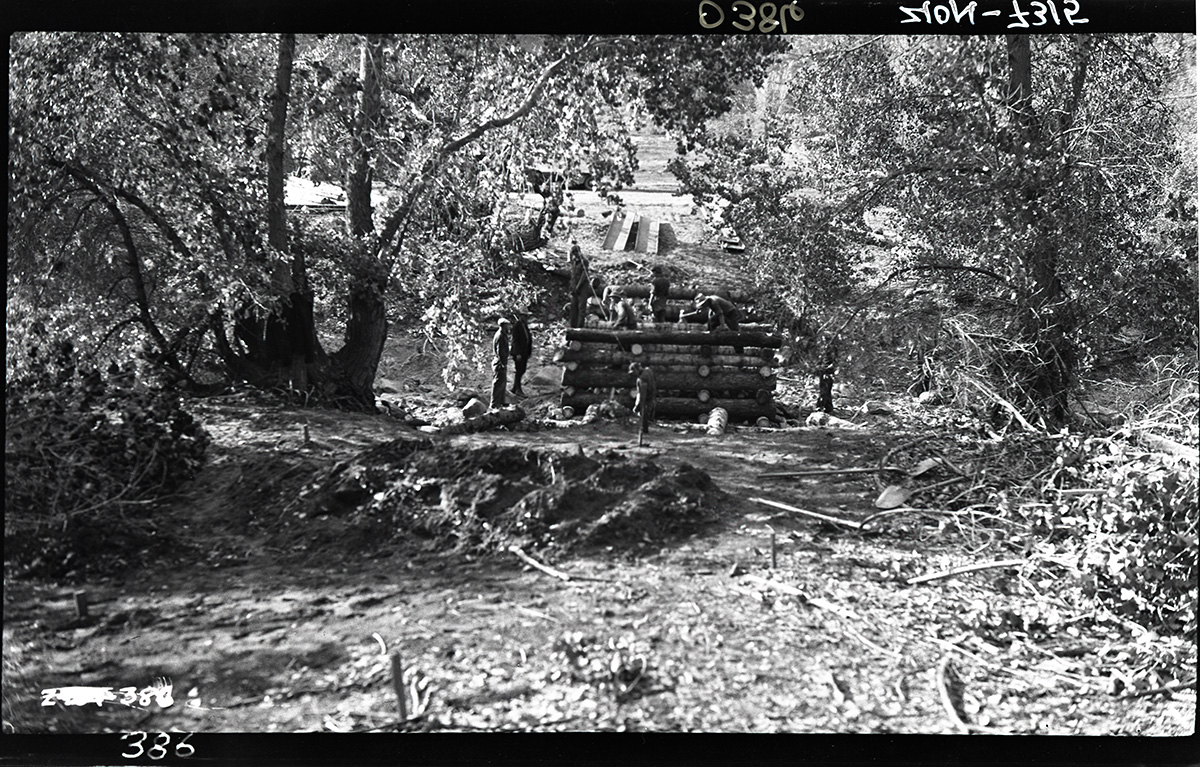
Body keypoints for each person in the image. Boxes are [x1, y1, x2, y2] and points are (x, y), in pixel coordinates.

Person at [629, 361, 657, 437]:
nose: (634, 374)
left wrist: (637, 405)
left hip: (647, 397)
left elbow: (641, 393)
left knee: (643, 413)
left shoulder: (641, 378)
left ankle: (644, 430)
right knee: (647, 413)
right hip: (652, 395)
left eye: (634, 372)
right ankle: (645, 429)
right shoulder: (648, 370)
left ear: (637, 369)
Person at [509, 310, 533, 396]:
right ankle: (518, 389)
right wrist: (518, 353)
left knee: (522, 370)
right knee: (519, 370)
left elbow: (527, 338)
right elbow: (515, 341)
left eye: (527, 316)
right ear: (521, 316)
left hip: (524, 352)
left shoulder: (525, 325)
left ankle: (515, 388)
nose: (526, 318)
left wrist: (529, 351)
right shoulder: (517, 326)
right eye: (525, 316)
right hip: (518, 353)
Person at [568, 242, 590, 328]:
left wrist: (578, 286)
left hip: (582, 288)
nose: (574, 256)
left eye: (575, 253)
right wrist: (572, 287)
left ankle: (580, 327)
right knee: (573, 307)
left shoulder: (584, 262)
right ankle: (572, 326)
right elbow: (573, 275)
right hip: (574, 287)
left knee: (581, 308)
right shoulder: (574, 261)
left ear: (579, 252)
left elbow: (584, 276)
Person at [490, 317, 510, 409]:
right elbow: (500, 351)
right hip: (499, 363)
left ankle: (501, 401)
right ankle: (494, 404)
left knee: (502, 382)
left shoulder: (503, 334)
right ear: (503, 326)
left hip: (501, 362)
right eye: (507, 325)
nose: (508, 327)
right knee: (498, 383)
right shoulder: (500, 336)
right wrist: (503, 363)